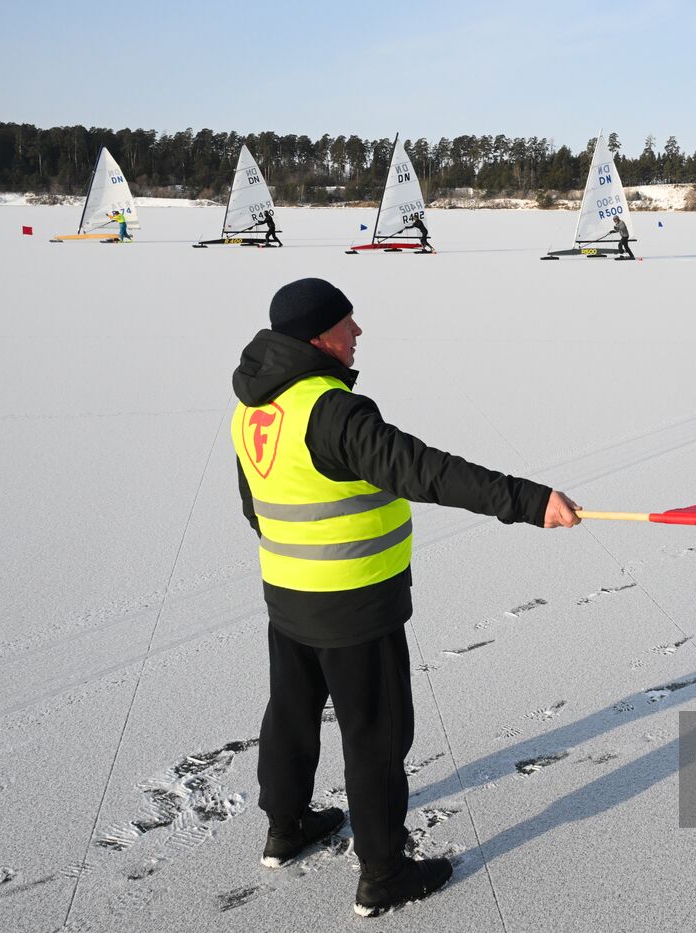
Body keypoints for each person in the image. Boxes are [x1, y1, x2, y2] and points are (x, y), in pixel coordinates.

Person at [230, 278, 581, 917]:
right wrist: (531, 501)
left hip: (289, 596)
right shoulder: (332, 411)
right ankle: (384, 874)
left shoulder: (255, 406)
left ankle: (286, 830)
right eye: (347, 324)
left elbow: (255, 506)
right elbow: (426, 470)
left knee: (290, 712)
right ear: (318, 338)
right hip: (354, 606)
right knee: (376, 735)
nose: (358, 333)